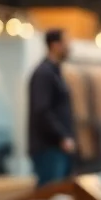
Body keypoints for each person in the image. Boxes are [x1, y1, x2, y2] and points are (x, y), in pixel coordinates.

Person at [28, 29, 76, 186]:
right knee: (50, 192)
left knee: (58, 192)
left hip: (57, 148)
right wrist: (61, 136)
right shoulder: (44, 73)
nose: (69, 47)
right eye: (66, 42)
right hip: (49, 148)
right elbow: (41, 110)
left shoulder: (55, 72)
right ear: (55, 45)